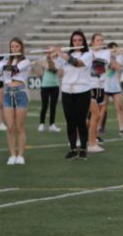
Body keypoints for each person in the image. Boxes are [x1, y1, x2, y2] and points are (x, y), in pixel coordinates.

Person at [51, 31, 93, 160]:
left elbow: (77, 63)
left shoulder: (88, 54)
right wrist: (52, 56)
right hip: (67, 91)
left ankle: (84, 149)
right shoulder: (66, 55)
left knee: (81, 121)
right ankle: (73, 149)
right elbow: (58, 71)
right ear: (71, 42)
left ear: (83, 42)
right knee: (70, 122)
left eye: (80, 40)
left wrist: (61, 54)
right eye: (74, 40)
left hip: (83, 91)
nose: (77, 43)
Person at [0, 38, 31, 165]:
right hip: (7, 93)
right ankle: (12, 154)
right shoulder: (6, 61)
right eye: (12, 47)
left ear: (21, 48)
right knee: (10, 127)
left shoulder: (25, 61)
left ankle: (20, 155)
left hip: (20, 93)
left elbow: (14, 70)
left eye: (17, 46)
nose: (14, 49)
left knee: (20, 126)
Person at [87, 33, 109, 153]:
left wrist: (92, 56)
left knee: (95, 117)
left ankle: (92, 139)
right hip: (90, 87)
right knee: (93, 116)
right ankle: (89, 141)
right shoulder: (88, 52)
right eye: (98, 40)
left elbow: (100, 63)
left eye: (102, 40)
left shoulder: (106, 52)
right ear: (92, 42)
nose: (100, 42)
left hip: (101, 87)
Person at [101, 42, 123, 136]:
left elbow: (116, 67)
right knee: (103, 108)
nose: (115, 51)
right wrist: (109, 55)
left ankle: (121, 128)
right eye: (113, 49)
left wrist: (113, 56)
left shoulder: (119, 57)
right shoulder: (105, 57)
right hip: (105, 86)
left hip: (115, 86)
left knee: (119, 108)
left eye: (116, 49)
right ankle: (99, 127)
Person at [36, 51, 61, 132]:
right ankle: (41, 124)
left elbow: (53, 69)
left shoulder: (58, 61)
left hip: (55, 85)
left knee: (53, 106)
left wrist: (45, 63)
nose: (53, 54)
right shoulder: (45, 60)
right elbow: (39, 73)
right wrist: (40, 65)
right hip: (45, 85)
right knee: (44, 105)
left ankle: (52, 124)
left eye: (54, 52)